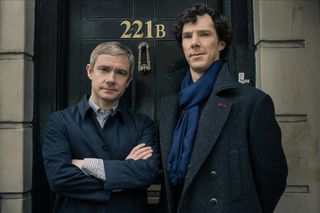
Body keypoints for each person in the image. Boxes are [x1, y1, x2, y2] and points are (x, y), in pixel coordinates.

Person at [159, 4, 288, 213]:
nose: (194, 43)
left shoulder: (252, 103)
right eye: (187, 36)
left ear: (220, 43)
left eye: (204, 34)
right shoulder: (170, 104)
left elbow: (273, 179)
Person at [42, 42, 159, 213]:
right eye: (104, 69)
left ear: (128, 81)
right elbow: (59, 179)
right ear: (90, 71)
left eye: (120, 72)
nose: (111, 79)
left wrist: (90, 165)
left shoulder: (143, 124)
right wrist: (123, 174)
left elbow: (146, 173)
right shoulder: (59, 122)